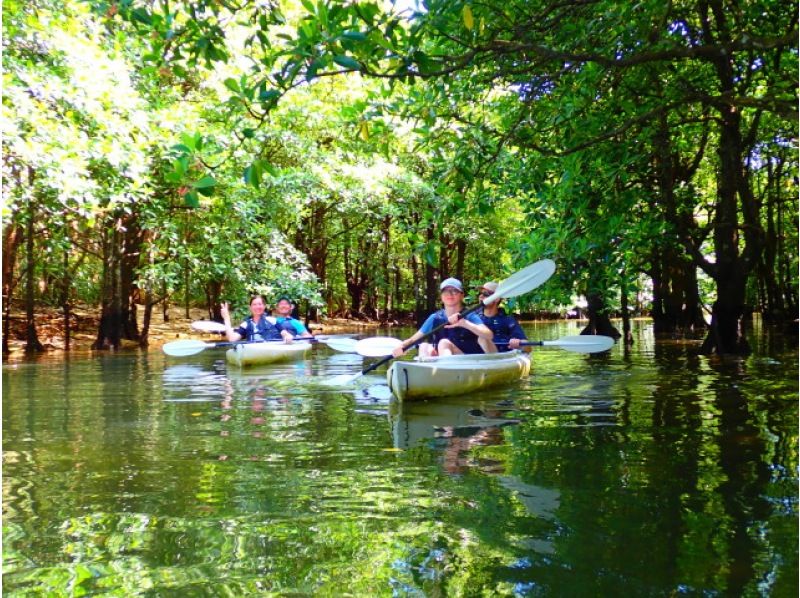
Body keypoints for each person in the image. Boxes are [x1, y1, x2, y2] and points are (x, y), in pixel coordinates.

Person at [392, 277, 495, 359]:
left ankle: (445, 372)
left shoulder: (469, 315)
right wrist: (403, 346)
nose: (450, 294)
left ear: (461, 295)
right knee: (424, 346)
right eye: (446, 291)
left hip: (466, 361)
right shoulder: (434, 318)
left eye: (454, 291)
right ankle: (425, 372)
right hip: (443, 361)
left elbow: (489, 335)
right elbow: (413, 339)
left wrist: (465, 323)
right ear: (441, 296)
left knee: (443, 343)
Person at [477, 281, 531, 353]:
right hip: (477, 358)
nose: (481, 296)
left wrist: (519, 343)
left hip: (501, 358)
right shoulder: (472, 318)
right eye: (480, 293)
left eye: (485, 294)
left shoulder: (508, 320)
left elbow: (528, 348)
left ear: (497, 299)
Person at [220, 295, 295, 344]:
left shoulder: (273, 321)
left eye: (260, 304)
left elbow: (285, 334)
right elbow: (232, 339)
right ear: (250, 307)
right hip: (254, 350)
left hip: (271, 349)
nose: (257, 307)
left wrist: (288, 336)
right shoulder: (245, 324)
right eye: (254, 304)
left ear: (264, 306)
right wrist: (226, 318)